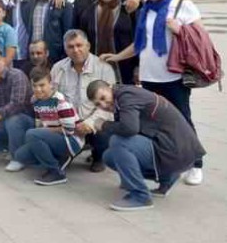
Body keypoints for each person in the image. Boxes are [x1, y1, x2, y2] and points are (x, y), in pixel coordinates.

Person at [100, 0, 207, 185]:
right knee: (152, 124)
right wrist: (117, 56)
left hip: (174, 77)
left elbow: (201, 37)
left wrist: (180, 30)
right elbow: (139, 44)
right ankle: (164, 163)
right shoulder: (146, 10)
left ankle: (195, 164)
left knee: (182, 120)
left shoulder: (182, 6)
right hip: (149, 78)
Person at [87, 81, 206, 211]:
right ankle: (166, 178)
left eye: (103, 98)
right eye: (98, 104)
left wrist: (104, 125)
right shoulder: (123, 96)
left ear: (110, 87)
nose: (103, 105)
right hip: (178, 152)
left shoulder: (126, 96)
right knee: (109, 156)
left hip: (176, 151)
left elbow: (129, 129)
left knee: (118, 142)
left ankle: (140, 196)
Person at [51, 30, 117, 172]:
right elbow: (53, 100)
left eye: (79, 45)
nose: (76, 50)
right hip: (69, 124)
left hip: (93, 123)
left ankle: (99, 157)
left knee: (104, 129)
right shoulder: (58, 68)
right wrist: (65, 123)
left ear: (88, 46)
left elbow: (109, 106)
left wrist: (89, 124)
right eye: (71, 46)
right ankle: (71, 150)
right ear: (65, 49)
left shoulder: (104, 68)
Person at [14, 68, 84, 186]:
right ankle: (58, 158)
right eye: (34, 86)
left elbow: (69, 130)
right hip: (54, 138)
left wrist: (42, 132)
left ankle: (56, 172)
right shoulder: (35, 100)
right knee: (20, 155)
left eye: (42, 85)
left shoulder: (60, 101)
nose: (38, 89)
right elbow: (39, 123)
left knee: (32, 134)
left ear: (51, 84)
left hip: (72, 141)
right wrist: (40, 133)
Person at [82, 0, 138, 84]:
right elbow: (84, 39)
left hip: (125, 68)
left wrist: (138, 66)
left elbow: (138, 38)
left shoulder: (128, 10)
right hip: (97, 67)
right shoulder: (89, 12)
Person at [21, 0, 73, 64]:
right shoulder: (28, 5)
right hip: (35, 57)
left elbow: (69, 32)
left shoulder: (63, 5)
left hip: (55, 56)